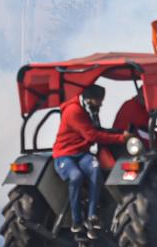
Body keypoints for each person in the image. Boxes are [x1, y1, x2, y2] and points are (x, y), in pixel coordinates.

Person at [52, 84, 128, 238]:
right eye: (100, 100)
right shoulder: (74, 111)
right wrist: (121, 138)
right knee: (76, 176)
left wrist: (113, 133)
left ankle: (92, 216)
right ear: (91, 99)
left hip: (82, 154)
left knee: (95, 168)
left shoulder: (89, 110)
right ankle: (77, 220)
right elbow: (92, 135)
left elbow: (96, 130)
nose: (101, 104)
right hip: (64, 155)